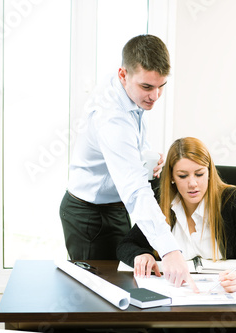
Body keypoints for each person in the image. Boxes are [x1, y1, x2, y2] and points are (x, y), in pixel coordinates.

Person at [60, 34, 196, 291]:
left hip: (114, 206)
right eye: (147, 87)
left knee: (122, 286)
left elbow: (127, 143)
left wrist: (144, 157)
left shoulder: (124, 90)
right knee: (96, 297)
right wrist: (170, 251)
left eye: (161, 86)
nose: (155, 96)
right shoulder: (112, 118)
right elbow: (134, 189)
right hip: (90, 216)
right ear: (123, 75)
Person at [117, 137, 236, 293]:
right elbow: (126, 245)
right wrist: (141, 255)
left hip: (223, 294)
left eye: (199, 174)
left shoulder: (234, 200)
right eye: (183, 176)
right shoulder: (161, 201)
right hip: (174, 294)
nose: (192, 184)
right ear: (171, 177)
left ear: (210, 172)